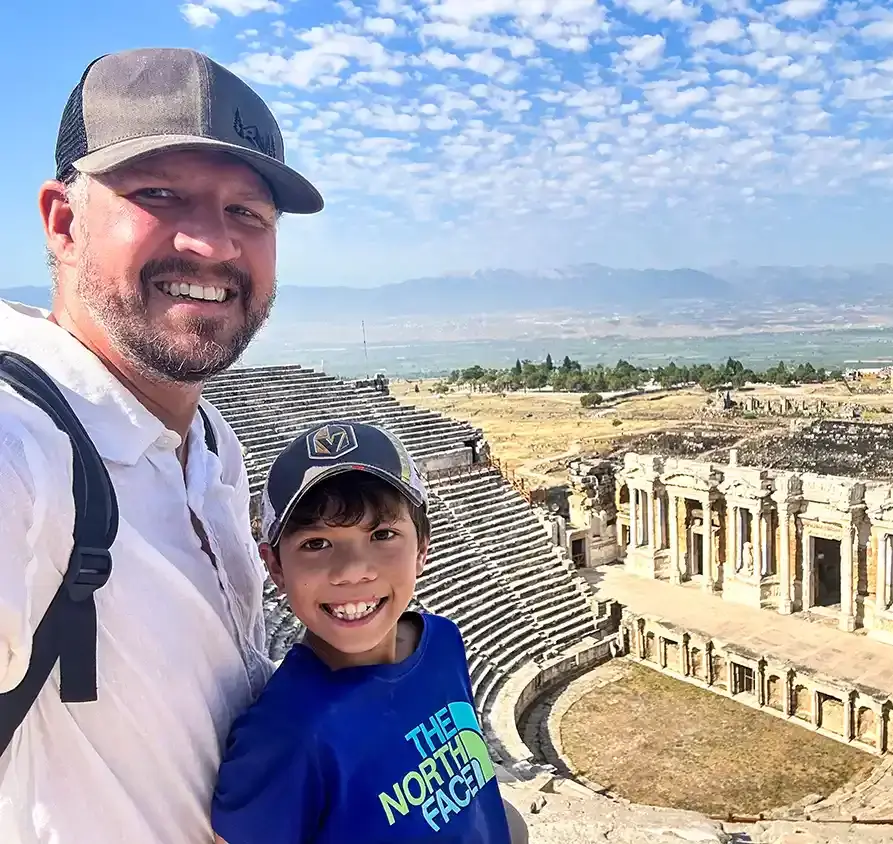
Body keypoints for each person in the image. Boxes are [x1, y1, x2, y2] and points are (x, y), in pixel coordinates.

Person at [0, 47, 323, 844]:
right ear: (63, 222)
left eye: (247, 212)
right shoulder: (22, 447)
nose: (212, 246)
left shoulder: (210, 442)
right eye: (158, 195)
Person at [211, 420, 526, 844]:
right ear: (275, 567)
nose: (353, 570)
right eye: (316, 543)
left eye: (382, 534)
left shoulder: (443, 641)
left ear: (422, 549)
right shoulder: (285, 736)